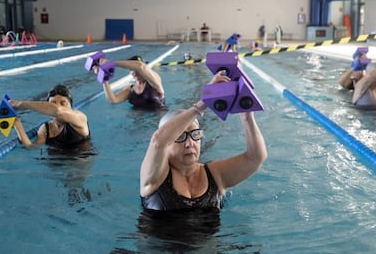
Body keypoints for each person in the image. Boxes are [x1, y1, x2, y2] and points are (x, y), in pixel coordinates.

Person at [140, 70, 267, 211]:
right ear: (168, 142)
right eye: (180, 137)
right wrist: (203, 103)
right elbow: (158, 141)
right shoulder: (154, 178)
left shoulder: (216, 174)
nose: (190, 143)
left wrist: (247, 116)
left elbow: (255, 158)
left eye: (195, 135)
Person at [10, 84, 90, 150]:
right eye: (52, 103)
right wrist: (17, 125)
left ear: (71, 107)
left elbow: (58, 111)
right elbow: (31, 147)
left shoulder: (80, 118)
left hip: (78, 165)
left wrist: (20, 104)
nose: (58, 106)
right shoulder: (46, 129)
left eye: (63, 103)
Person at [94, 55, 166, 110]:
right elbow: (113, 100)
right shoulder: (131, 89)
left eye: (135, 69)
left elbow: (140, 66)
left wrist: (111, 63)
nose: (133, 72)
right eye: (131, 70)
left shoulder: (155, 81)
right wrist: (104, 79)